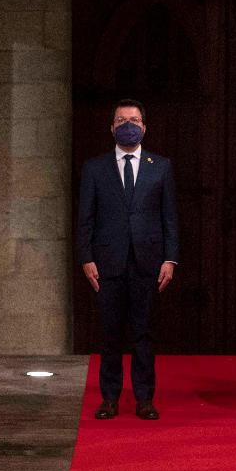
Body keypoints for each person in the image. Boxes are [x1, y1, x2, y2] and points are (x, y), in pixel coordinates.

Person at [77, 99, 180, 421]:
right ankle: (109, 398)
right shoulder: (95, 168)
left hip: (147, 262)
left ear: (145, 126)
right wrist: (86, 257)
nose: (128, 124)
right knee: (110, 335)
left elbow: (170, 218)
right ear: (111, 127)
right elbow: (86, 218)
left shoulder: (160, 166)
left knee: (143, 334)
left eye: (134, 119)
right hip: (107, 262)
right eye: (121, 120)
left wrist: (170, 259)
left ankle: (144, 399)